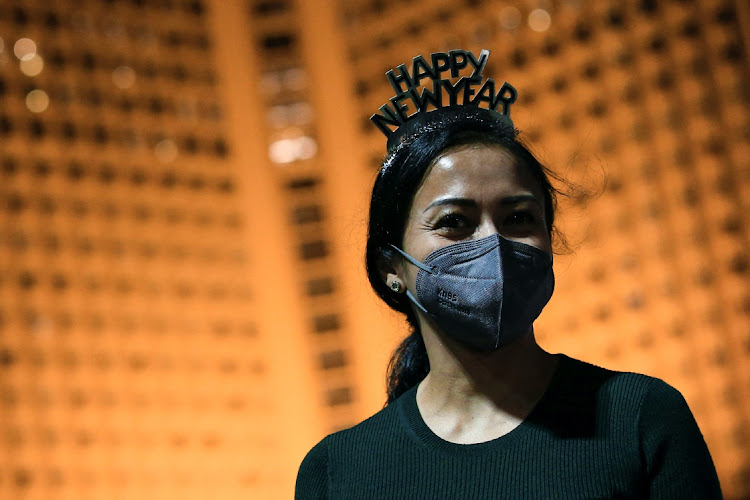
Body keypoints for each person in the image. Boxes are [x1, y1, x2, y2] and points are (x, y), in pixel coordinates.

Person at [295, 49, 722, 499]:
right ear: (391, 268)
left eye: (518, 217)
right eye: (454, 222)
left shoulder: (640, 418)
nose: (492, 243)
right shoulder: (336, 473)